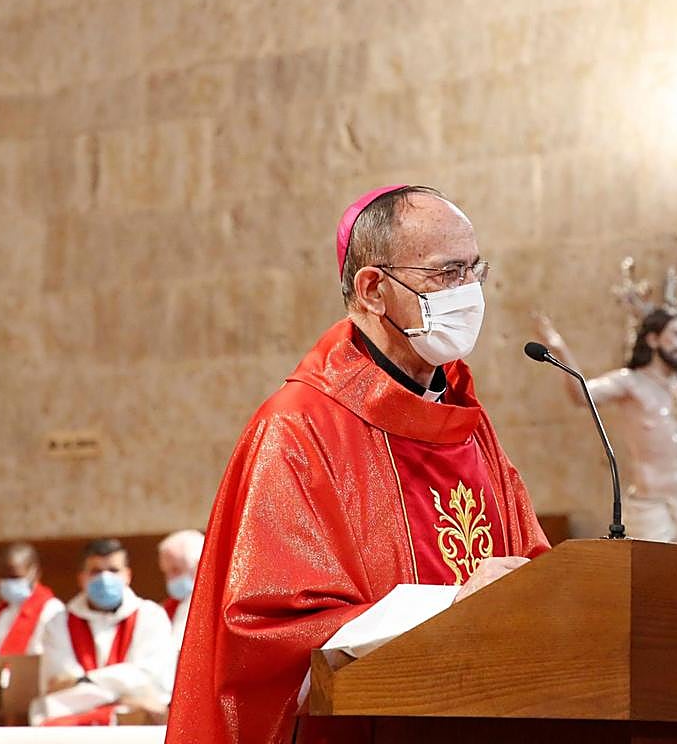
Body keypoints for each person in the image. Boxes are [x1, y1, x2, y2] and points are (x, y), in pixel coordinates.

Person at [166, 185, 550, 744]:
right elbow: (266, 631)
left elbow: (537, 577)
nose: (467, 293)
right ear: (373, 289)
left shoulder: (467, 423)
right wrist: (449, 605)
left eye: (474, 271)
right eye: (446, 273)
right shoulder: (298, 429)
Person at [536, 307, 677, 544]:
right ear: (653, 339)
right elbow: (583, 395)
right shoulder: (630, 383)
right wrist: (559, 347)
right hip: (654, 510)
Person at [37, 539, 175, 723]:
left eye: (113, 570)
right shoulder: (58, 623)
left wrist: (85, 680)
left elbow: (150, 678)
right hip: (75, 727)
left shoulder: (151, 616)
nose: (105, 578)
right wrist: (123, 696)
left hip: (136, 724)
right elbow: (59, 684)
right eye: (96, 571)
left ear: (128, 575)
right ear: (81, 578)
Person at [0, 542, 64, 657]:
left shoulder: (52, 610)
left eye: (14, 577)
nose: (8, 583)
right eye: (3, 577)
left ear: (35, 573)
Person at [156, 530, 204, 647]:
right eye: (166, 572)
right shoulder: (166, 609)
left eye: (175, 570)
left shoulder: (220, 605)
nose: (170, 578)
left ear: (199, 565)